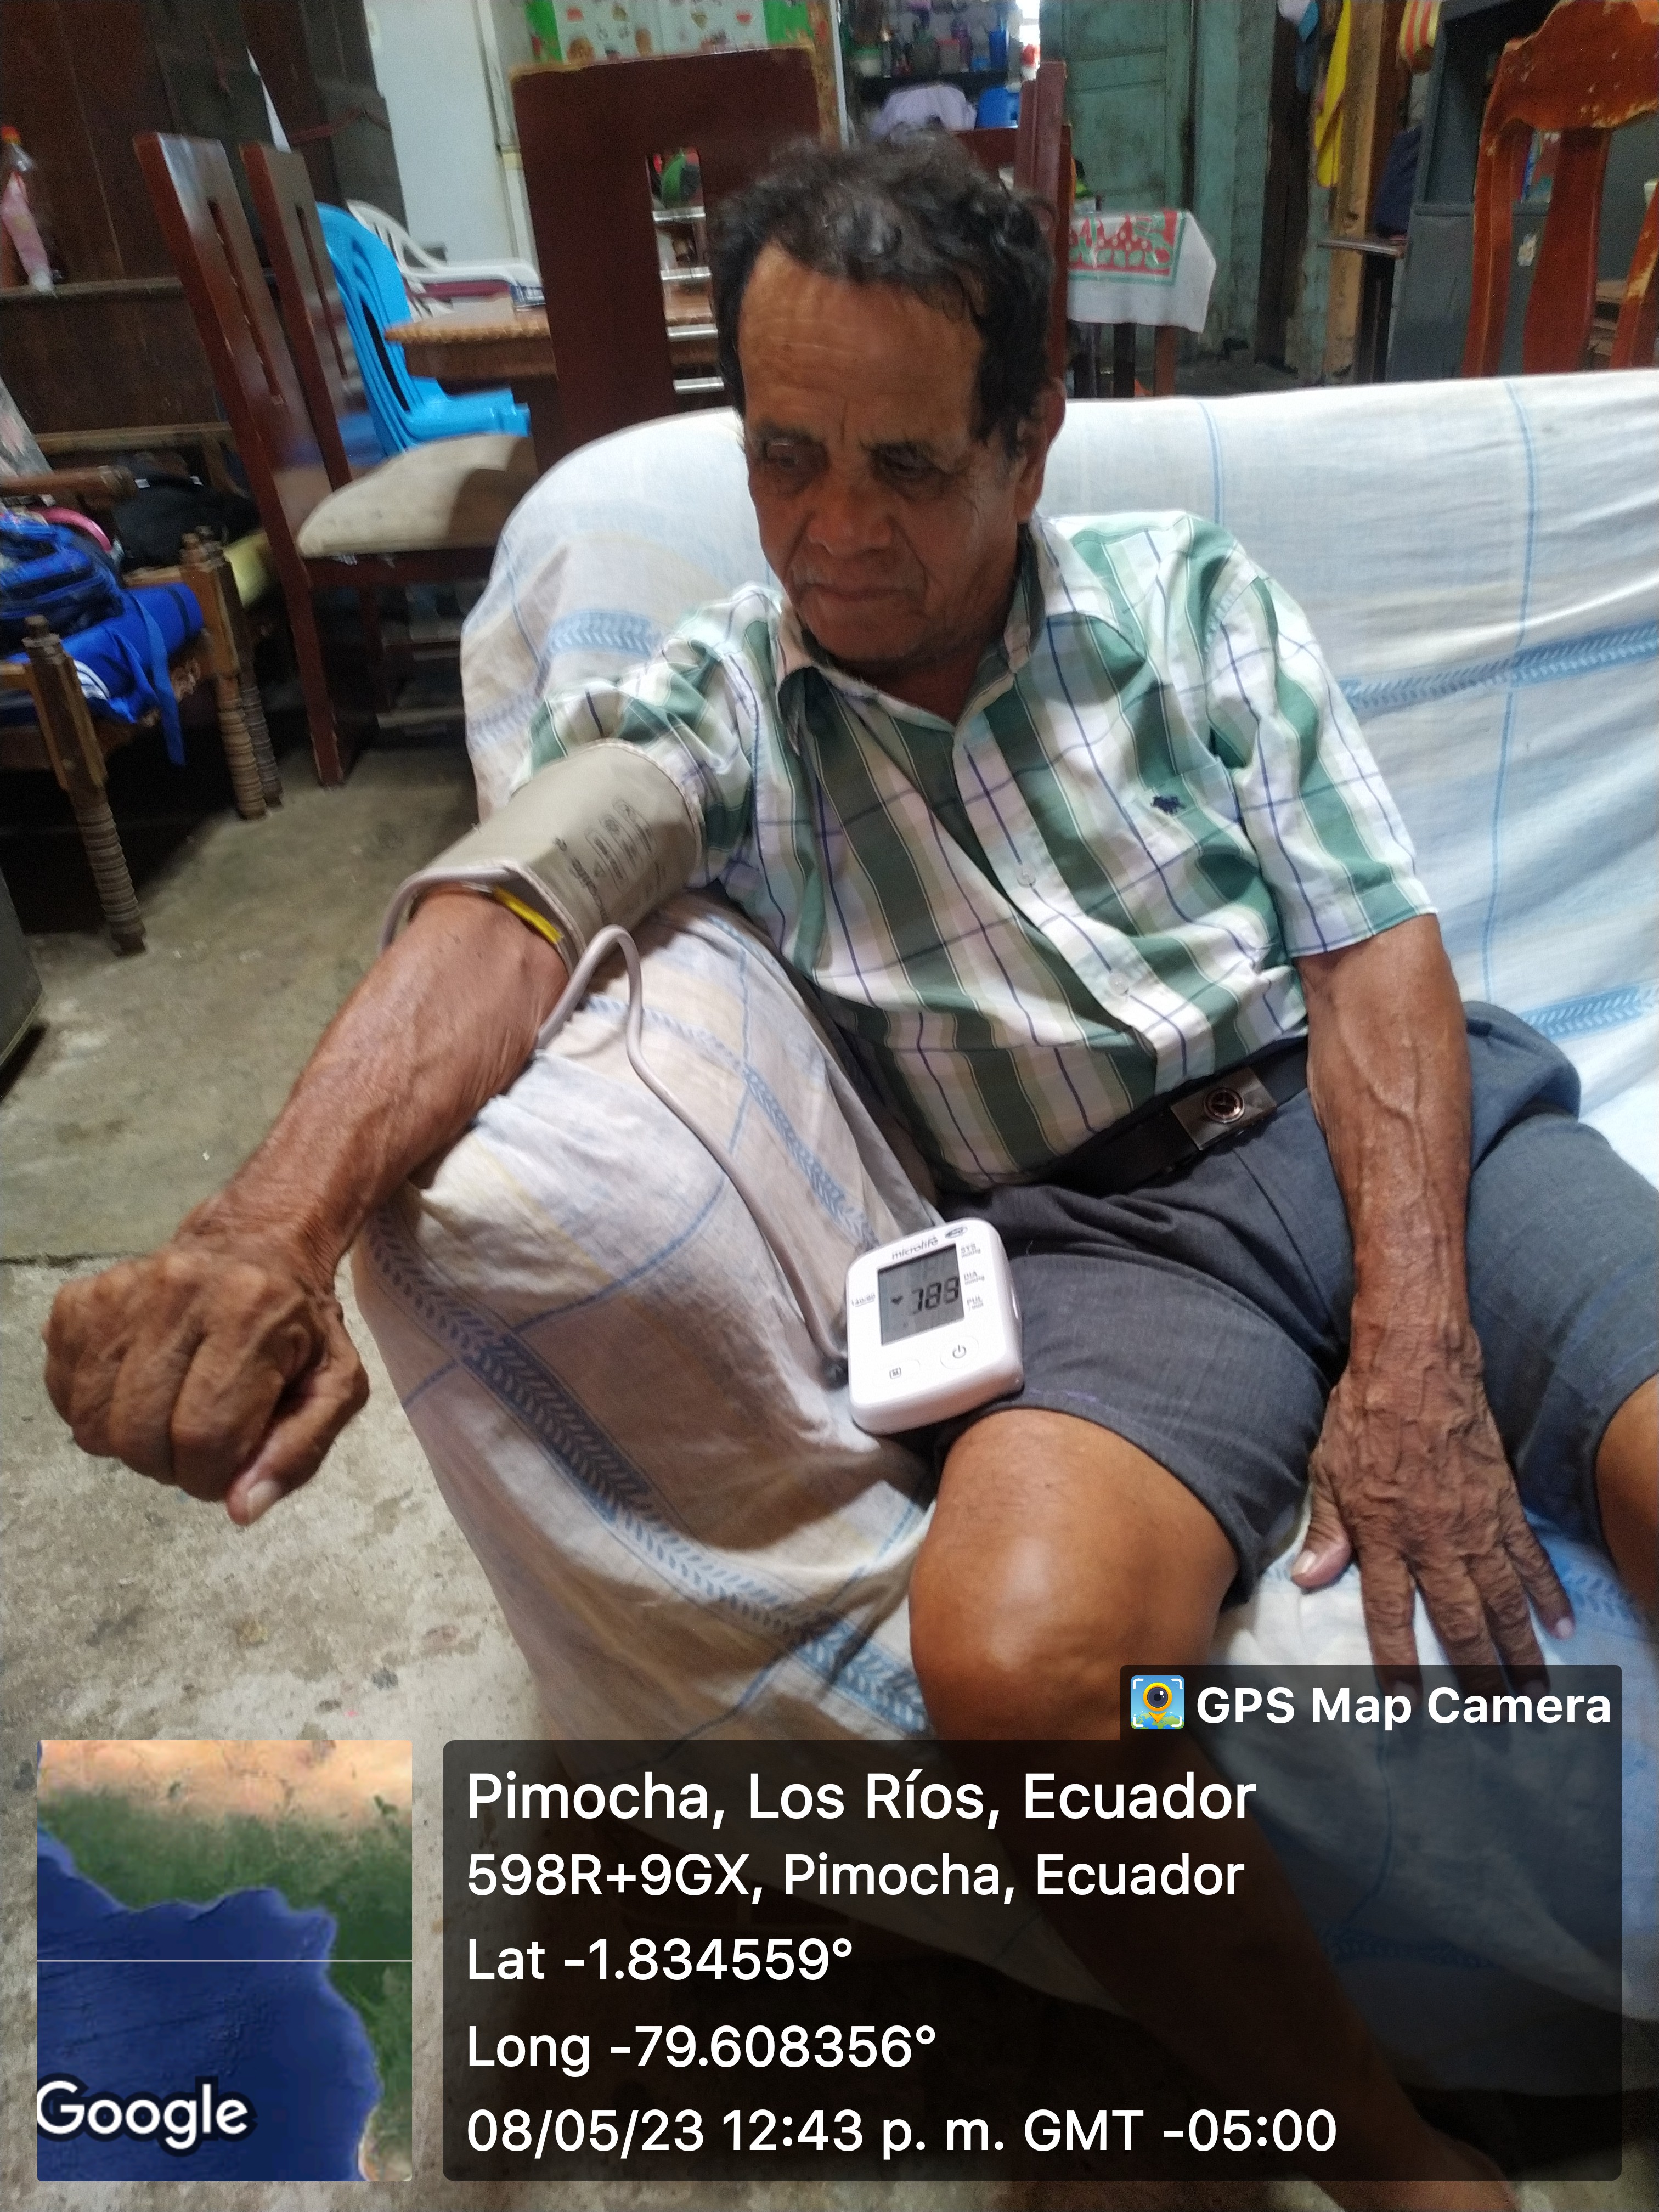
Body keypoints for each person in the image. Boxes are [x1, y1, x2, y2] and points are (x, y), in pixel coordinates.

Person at [43, 134, 1653, 2206]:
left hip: (1387, 1116)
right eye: (785, 456)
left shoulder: (1186, 604)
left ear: (1031, 439)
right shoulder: (730, 703)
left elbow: (1372, 953)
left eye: (906, 467)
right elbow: (510, 906)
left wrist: (1415, 1344)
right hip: (1105, 1242)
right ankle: (1390, 2158)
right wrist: (271, 1225)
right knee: (1019, 1667)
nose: (833, 528)